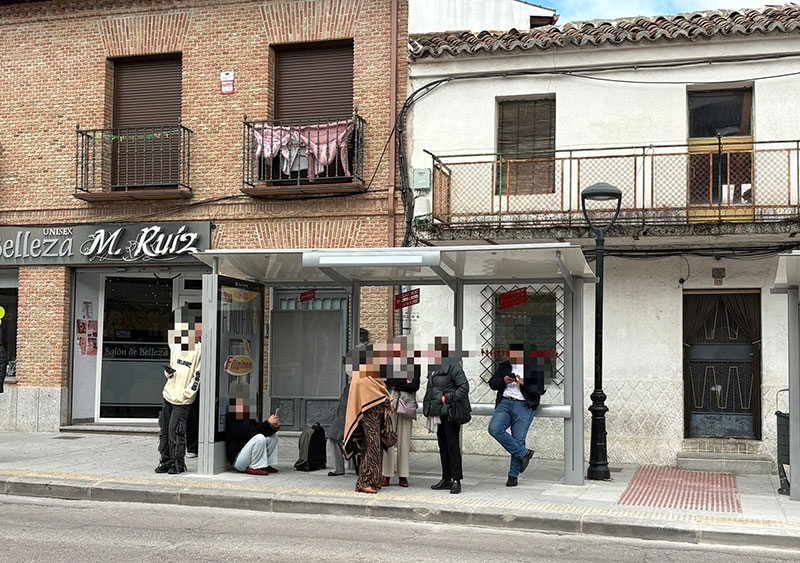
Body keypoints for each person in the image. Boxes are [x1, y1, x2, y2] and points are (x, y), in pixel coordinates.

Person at [488, 343, 543, 487]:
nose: (511, 358)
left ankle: (513, 476)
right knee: (494, 429)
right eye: (510, 355)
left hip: (523, 405)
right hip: (505, 403)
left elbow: (540, 389)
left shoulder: (533, 366)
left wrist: (524, 383)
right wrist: (504, 381)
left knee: (519, 439)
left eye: (515, 355)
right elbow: (492, 383)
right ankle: (523, 453)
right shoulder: (504, 366)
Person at [155, 310, 202, 475]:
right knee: (165, 431)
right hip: (169, 393)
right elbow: (172, 369)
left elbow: (198, 376)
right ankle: (165, 461)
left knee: (176, 430)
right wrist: (168, 373)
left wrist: (187, 394)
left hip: (182, 399)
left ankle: (178, 463)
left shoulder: (200, 350)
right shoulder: (178, 347)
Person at [343, 345, 394, 494]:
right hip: (368, 417)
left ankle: (370, 481)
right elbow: (372, 396)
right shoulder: (361, 375)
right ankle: (365, 482)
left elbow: (380, 390)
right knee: (373, 447)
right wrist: (387, 401)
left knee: (372, 447)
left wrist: (387, 400)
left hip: (376, 417)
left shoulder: (372, 375)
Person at [423, 336, 470, 495]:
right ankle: (446, 478)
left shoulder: (453, 366)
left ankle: (456, 480)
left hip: (450, 412)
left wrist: (446, 398)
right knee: (443, 446)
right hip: (438, 412)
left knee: (452, 445)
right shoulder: (433, 367)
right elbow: (431, 389)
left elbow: (464, 388)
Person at [382, 336, 420, 487]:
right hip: (390, 405)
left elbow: (415, 385)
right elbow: (386, 381)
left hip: (406, 405)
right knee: (388, 438)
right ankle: (387, 474)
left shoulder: (414, 364)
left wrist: (396, 384)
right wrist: (404, 382)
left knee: (404, 440)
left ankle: (403, 475)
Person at [225, 397, 280, 475]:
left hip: (247, 456)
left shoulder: (246, 418)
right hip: (238, 460)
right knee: (259, 438)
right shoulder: (233, 420)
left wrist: (273, 426)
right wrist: (267, 423)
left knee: (273, 438)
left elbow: (259, 429)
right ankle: (254, 466)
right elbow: (250, 433)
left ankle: (264, 464)